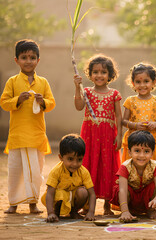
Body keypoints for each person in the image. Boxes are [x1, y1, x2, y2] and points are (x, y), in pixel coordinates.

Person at [0, 39, 56, 214]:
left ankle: (33, 203)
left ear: (38, 60)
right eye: (24, 57)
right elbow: (4, 102)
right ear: (16, 60)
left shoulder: (43, 82)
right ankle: (13, 204)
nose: (28, 61)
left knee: (35, 173)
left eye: (32, 57)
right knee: (16, 172)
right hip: (17, 136)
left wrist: (43, 101)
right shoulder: (12, 81)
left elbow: (52, 103)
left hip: (36, 136)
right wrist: (18, 100)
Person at [73, 54, 122, 215]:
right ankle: (86, 203)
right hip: (90, 135)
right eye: (95, 72)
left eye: (103, 72)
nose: (99, 75)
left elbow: (118, 116)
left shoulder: (114, 94)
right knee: (89, 164)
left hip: (108, 135)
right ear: (90, 74)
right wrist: (76, 87)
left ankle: (107, 205)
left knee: (108, 165)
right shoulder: (86, 91)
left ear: (110, 75)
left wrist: (120, 135)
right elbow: (79, 107)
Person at [120, 62, 156, 213]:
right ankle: (130, 204)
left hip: (153, 143)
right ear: (133, 83)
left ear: (154, 82)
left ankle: (155, 205)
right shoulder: (130, 101)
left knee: (153, 173)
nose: (142, 85)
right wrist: (135, 126)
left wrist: (155, 124)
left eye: (146, 81)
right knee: (132, 174)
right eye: (138, 81)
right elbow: (123, 121)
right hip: (134, 141)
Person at [110, 130, 156, 221]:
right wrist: (124, 211)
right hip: (129, 200)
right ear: (129, 152)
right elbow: (123, 190)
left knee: (152, 186)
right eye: (137, 151)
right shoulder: (125, 166)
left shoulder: (155, 165)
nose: (142, 155)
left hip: (146, 201)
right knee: (120, 188)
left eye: (146, 151)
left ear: (152, 153)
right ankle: (127, 211)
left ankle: (151, 211)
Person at [41, 134, 96, 222]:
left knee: (83, 192)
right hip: (58, 199)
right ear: (61, 158)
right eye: (70, 159)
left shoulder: (84, 172)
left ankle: (74, 212)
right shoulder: (56, 171)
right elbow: (50, 193)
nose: (75, 164)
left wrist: (91, 212)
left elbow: (92, 194)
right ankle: (55, 213)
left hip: (73, 199)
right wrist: (50, 212)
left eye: (79, 159)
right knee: (60, 194)